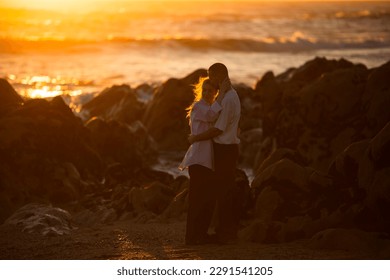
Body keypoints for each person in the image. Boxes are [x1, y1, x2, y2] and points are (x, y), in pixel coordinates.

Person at [188, 63, 241, 244]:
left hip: (222, 151)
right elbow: (213, 118)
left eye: (212, 76)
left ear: (219, 74)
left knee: (221, 194)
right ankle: (204, 235)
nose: (211, 83)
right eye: (206, 88)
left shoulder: (227, 98)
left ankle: (223, 234)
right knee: (208, 195)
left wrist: (196, 138)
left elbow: (217, 128)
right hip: (207, 155)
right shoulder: (213, 102)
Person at [179, 77, 226, 245]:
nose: (207, 93)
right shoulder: (199, 107)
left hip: (205, 159)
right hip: (198, 159)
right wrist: (221, 97)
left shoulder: (207, 106)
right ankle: (192, 237)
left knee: (204, 198)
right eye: (204, 90)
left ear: (214, 92)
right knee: (197, 200)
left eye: (210, 91)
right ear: (200, 91)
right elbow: (212, 115)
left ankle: (200, 234)